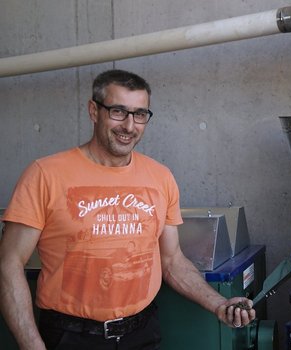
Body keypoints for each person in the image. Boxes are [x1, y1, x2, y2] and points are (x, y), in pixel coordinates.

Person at [0, 69, 256, 349]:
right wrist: (31, 346)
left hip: (142, 333)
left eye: (140, 114)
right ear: (93, 111)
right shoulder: (44, 175)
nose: (130, 125)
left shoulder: (160, 177)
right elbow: (9, 264)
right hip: (71, 336)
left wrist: (219, 304)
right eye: (118, 111)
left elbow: (171, 261)